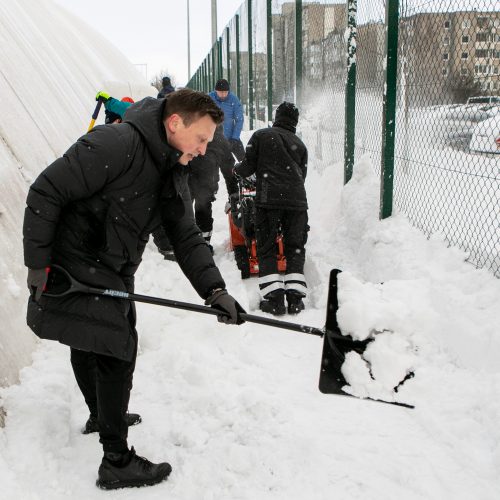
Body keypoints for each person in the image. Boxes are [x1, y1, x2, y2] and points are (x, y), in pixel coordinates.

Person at [23, 89, 245, 490]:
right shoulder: (116, 143)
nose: (203, 149)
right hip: (77, 260)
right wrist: (38, 264)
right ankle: (116, 460)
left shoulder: (171, 165)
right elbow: (46, 191)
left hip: (113, 264)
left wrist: (215, 290)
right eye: (201, 139)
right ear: (175, 123)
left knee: (93, 340)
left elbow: (185, 235)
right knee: (116, 348)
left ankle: (100, 414)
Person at [233, 102, 308, 316]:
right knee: (295, 247)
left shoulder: (261, 135)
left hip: (269, 200)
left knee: (266, 247)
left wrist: (236, 170)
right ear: (294, 122)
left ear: (277, 116)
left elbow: (247, 167)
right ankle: (295, 300)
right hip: (297, 202)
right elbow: (302, 176)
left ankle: (274, 299)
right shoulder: (300, 144)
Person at [188, 124, 234, 253]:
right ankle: (204, 244)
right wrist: (233, 195)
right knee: (203, 209)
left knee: (183, 209)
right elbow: (229, 172)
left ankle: (182, 242)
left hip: (187, 177)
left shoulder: (190, 132)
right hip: (207, 181)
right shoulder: (220, 140)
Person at [209, 78, 245, 161]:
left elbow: (239, 119)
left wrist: (235, 138)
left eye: (225, 92)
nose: (223, 95)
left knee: (244, 160)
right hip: (213, 139)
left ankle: (249, 173)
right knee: (215, 163)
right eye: (221, 92)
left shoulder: (234, 99)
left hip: (231, 136)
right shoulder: (209, 98)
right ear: (216, 91)